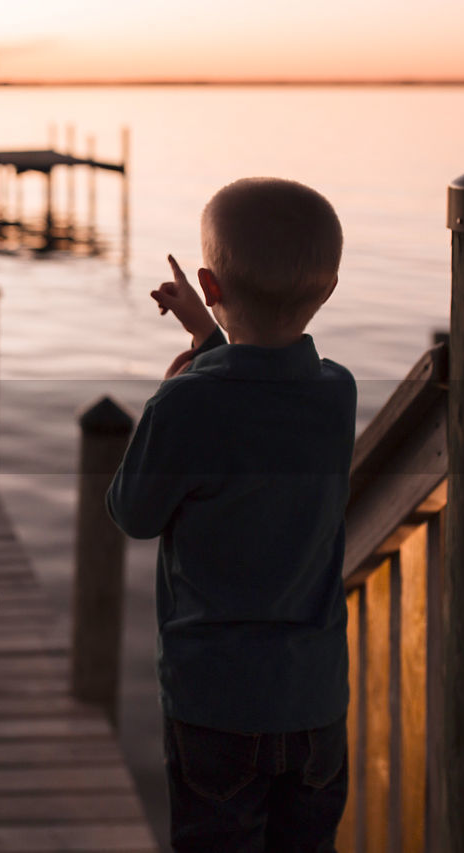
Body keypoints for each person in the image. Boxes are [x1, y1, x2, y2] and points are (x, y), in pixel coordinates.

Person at [107, 178, 356, 851]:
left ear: (210, 284)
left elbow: (133, 510)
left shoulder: (185, 406)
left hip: (215, 704)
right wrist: (208, 333)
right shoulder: (337, 394)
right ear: (328, 289)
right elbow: (260, 396)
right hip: (314, 702)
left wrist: (171, 391)